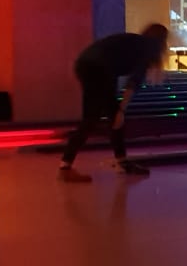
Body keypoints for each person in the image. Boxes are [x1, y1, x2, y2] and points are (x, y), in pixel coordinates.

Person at [59, 24, 170, 182]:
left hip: (89, 65)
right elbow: (133, 82)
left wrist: (118, 111)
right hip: (97, 68)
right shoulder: (147, 48)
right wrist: (122, 110)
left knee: (111, 116)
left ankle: (122, 162)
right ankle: (65, 167)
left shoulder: (136, 42)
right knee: (93, 118)